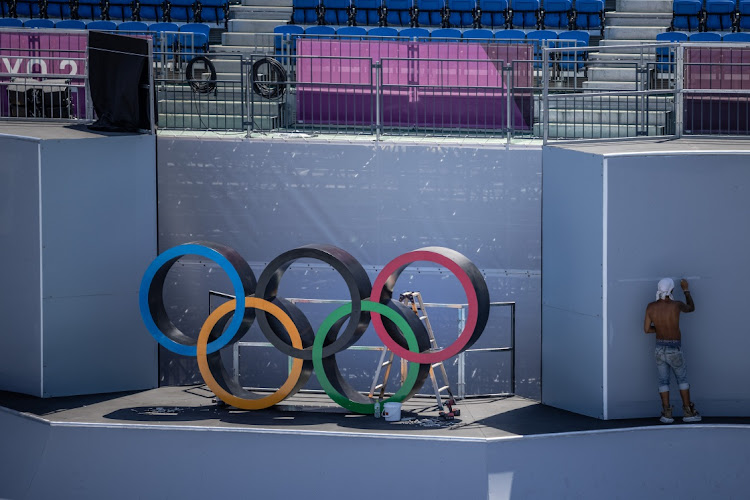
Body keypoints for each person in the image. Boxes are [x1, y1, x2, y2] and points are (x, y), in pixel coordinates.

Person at [643, 277, 701, 424]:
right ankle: (688, 412)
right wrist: (686, 290)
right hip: (674, 348)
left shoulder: (651, 307)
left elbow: (646, 329)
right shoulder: (676, 305)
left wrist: (660, 328)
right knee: (682, 379)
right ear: (671, 290)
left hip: (659, 349)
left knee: (663, 381)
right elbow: (691, 308)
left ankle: (666, 414)